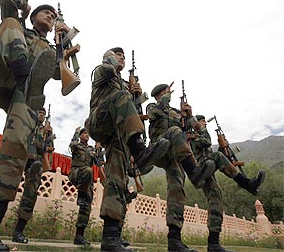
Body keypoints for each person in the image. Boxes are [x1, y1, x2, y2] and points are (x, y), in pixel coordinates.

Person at [0, 0, 74, 251]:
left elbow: (55, 74)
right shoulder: (20, 27)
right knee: (9, 22)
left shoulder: (48, 48)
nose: (50, 17)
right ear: (33, 16)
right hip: (1, 78)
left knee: (17, 146)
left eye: (53, 17)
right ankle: (23, 73)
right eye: (46, 13)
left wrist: (63, 46)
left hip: (24, 93)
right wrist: (23, 5)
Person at [84, 47, 170, 252]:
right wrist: (111, 61)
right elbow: (109, 72)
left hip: (119, 133)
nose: (121, 57)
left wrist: (137, 95)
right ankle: (140, 151)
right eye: (117, 54)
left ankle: (112, 237)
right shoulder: (101, 70)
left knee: (118, 178)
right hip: (100, 121)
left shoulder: (124, 86)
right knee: (122, 95)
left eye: (122, 55)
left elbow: (133, 111)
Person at [146, 83, 217, 252]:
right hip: (159, 148)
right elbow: (153, 114)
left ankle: (174, 239)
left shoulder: (177, 113)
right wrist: (165, 98)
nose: (168, 94)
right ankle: (194, 172)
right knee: (175, 130)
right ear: (157, 96)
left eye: (168, 92)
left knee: (177, 189)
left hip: (176, 155)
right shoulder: (153, 107)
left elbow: (203, 137)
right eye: (164, 93)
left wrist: (190, 116)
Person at [188, 114, 266, 252]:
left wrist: (224, 149)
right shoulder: (192, 137)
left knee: (216, 198)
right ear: (196, 124)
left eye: (205, 122)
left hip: (208, 169)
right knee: (218, 157)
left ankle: (214, 244)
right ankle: (246, 183)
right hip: (198, 170)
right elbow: (205, 142)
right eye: (202, 122)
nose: (205, 124)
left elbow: (211, 155)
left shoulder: (201, 139)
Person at [11, 106, 54, 243]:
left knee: (30, 194)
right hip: (19, 158)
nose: (41, 115)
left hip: (35, 163)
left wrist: (48, 136)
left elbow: (49, 149)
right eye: (39, 112)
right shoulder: (28, 123)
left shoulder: (46, 131)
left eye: (43, 113)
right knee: (6, 187)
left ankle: (18, 231)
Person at [68, 127, 96, 246]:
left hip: (87, 180)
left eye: (87, 133)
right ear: (80, 135)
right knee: (89, 170)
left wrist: (99, 150)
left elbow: (99, 162)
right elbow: (72, 145)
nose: (86, 135)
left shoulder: (91, 149)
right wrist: (75, 132)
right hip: (76, 173)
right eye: (84, 133)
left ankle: (79, 236)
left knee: (86, 205)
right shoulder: (76, 146)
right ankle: (81, 195)